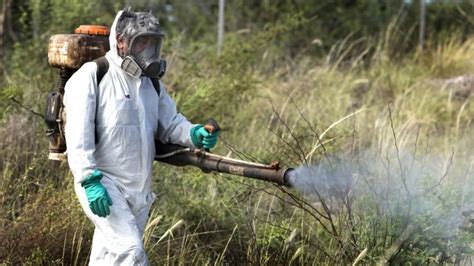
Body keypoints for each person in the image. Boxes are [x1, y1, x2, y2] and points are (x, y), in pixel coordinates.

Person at [63, 7, 218, 265]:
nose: (148, 49)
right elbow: (78, 135)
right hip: (104, 185)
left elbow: (170, 124)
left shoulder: (152, 84)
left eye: (152, 42)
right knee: (131, 252)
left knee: (108, 257)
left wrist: (194, 133)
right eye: (142, 42)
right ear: (121, 42)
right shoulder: (93, 75)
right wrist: (90, 180)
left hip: (139, 190)